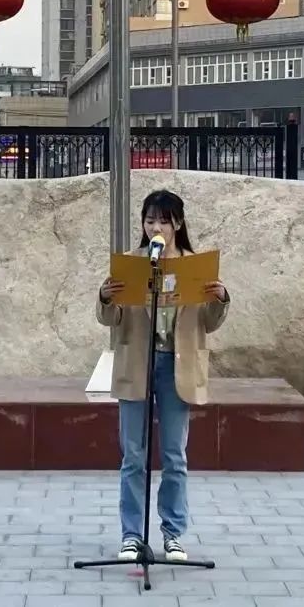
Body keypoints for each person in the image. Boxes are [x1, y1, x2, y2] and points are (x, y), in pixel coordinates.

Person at [96, 189, 230, 563]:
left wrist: (221, 299)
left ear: (178, 224)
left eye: (163, 221)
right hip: (137, 363)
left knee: (174, 456)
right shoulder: (131, 264)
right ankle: (131, 536)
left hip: (177, 365)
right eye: (150, 220)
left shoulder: (193, 265)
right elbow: (111, 319)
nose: (156, 227)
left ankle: (173, 535)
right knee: (133, 456)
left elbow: (208, 323)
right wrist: (105, 297)